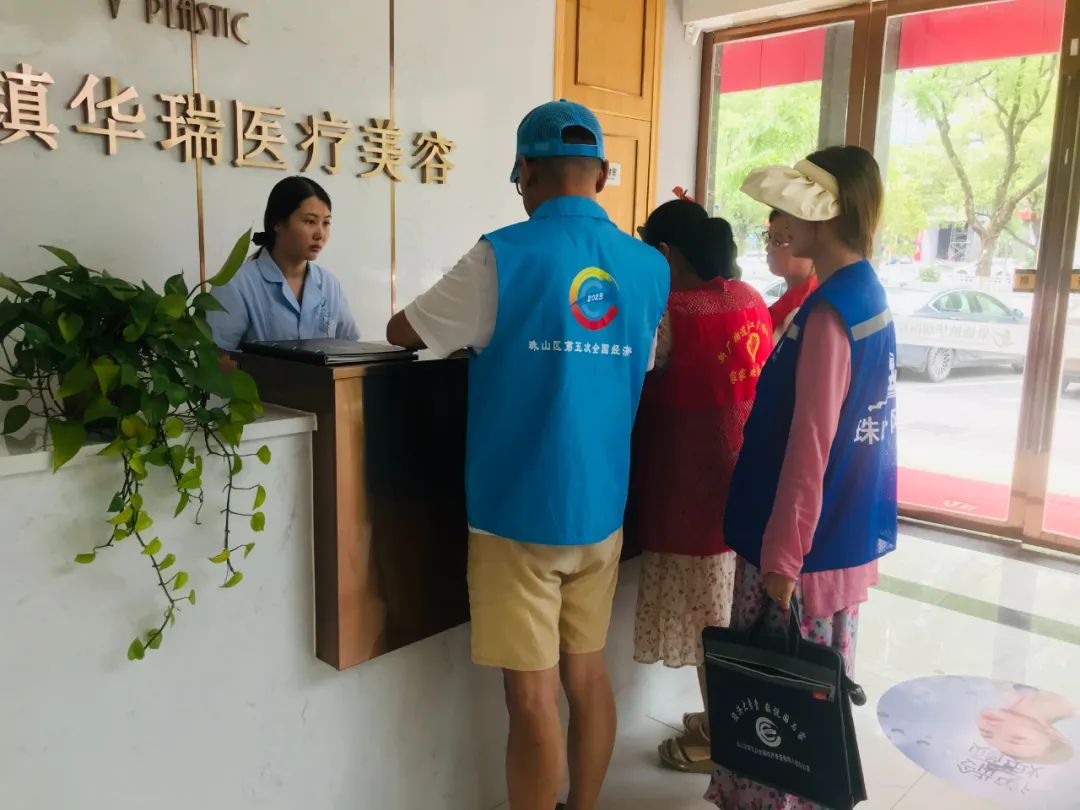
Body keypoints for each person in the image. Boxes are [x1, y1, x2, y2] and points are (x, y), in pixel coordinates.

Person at [385, 100, 668, 810]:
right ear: (601, 174)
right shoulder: (649, 267)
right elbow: (641, 363)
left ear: (525, 173)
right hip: (601, 509)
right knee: (588, 676)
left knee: (533, 697)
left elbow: (402, 330)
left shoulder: (501, 255)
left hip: (516, 513)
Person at [707, 146, 898, 810]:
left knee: (776, 715)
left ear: (828, 213)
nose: (781, 223)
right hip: (837, 536)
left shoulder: (829, 313)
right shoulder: (865, 294)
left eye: (793, 210)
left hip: (798, 553)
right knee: (807, 711)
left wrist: (783, 562)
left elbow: (810, 445)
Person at [631, 199, 772, 774]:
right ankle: (723, 720)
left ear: (665, 254)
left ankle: (724, 738)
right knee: (728, 613)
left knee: (708, 622)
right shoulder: (750, 298)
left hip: (689, 488)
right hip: (746, 482)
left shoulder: (671, 313)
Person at [208, 176, 359, 351]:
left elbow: (350, 350)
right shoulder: (236, 284)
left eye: (326, 223)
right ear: (278, 223)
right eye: (310, 221)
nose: (320, 234)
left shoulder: (330, 285)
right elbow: (216, 358)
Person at [763, 208, 817, 343]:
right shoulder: (792, 301)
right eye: (768, 238)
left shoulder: (806, 310)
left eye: (777, 241)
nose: (768, 248)